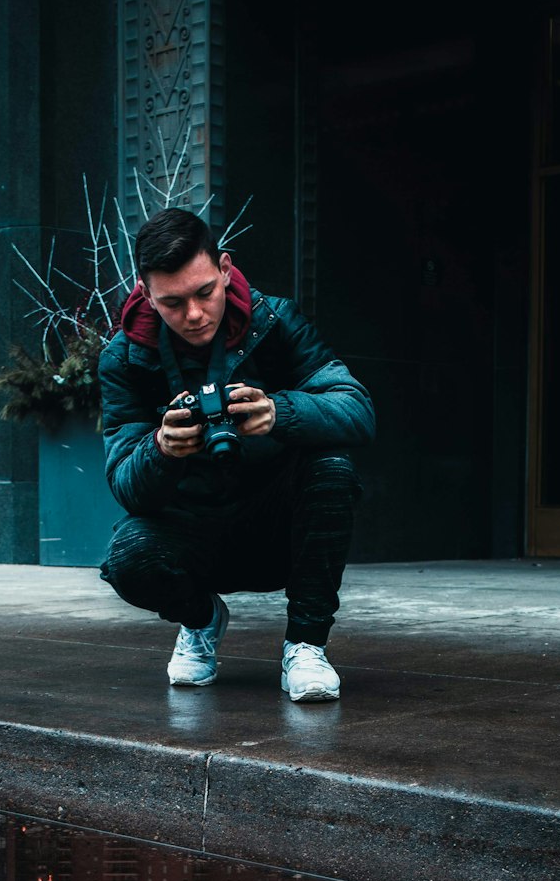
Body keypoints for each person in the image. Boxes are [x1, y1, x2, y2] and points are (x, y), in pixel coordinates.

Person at [98, 208, 375, 701]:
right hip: (191, 529)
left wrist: (279, 412)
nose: (195, 315)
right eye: (173, 303)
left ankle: (306, 646)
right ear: (145, 293)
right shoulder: (125, 358)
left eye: (205, 292)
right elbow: (124, 481)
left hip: (275, 525)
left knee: (332, 469)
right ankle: (201, 620)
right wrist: (162, 449)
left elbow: (355, 409)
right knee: (126, 559)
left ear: (225, 268)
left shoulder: (276, 322)